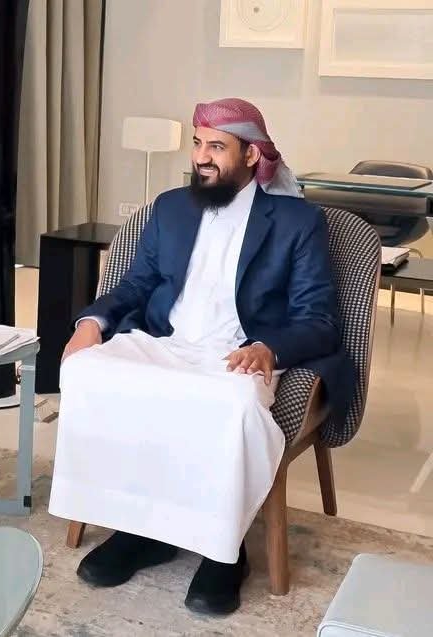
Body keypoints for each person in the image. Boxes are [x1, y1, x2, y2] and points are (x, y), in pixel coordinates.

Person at [48, 98, 354, 615]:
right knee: (84, 372)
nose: (201, 157)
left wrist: (268, 348)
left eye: (217, 146)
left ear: (252, 155)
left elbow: (318, 318)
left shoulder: (297, 221)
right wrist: (90, 323)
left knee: (233, 405)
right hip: (166, 342)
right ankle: (140, 530)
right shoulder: (171, 207)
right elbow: (137, 284)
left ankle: (225, 553)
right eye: (197, 143)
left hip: (240, 355)